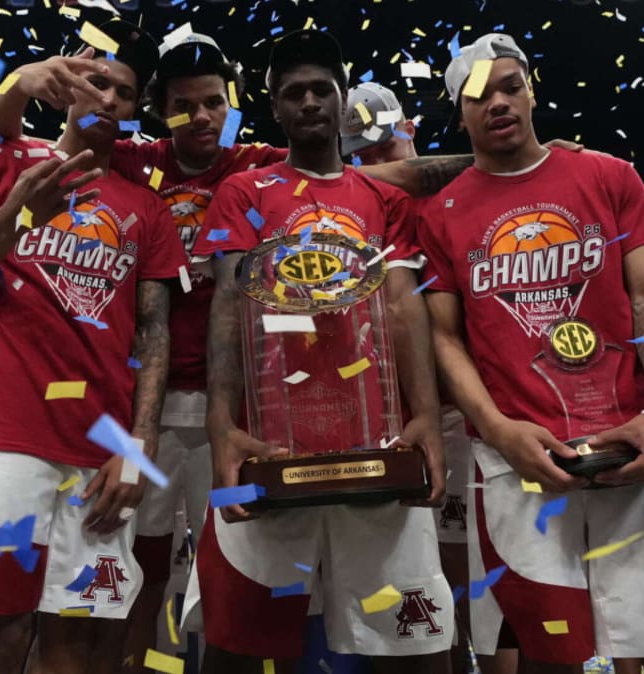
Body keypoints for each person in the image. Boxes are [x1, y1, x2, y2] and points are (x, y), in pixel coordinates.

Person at [417, 33, 644, 673]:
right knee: (549, 655)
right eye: (480, 94)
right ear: (461, 113)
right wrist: (497, 429)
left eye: (511, 85)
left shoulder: (607, 175)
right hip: (519, 460)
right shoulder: (441, 213)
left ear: (532, 91)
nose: (499, 102)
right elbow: (445, 338)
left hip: (631, 439)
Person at [0, 21, 187, 674]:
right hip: (0, 438)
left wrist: (138, 446)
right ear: (67, 87)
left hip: (100, 451)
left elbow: (154, 334)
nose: (109, 99)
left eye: (124, 92)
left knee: (77, 643)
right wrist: (15, 218)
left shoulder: (146, 209)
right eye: (97, 82)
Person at [190, 29, 450, 674]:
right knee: (237, 639)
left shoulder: (384, 201)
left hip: (377, 439)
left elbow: (402, 306)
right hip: (273, 441)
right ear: (275, 108)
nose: (308, 102)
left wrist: (427, 418)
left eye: (320, 89)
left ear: (342, 100)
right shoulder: (244, 193)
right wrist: (222, 426)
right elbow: (227, 307)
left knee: (415, 641)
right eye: (292, 93)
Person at [341, 81, 496, 674]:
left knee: (481, 587)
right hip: (394, 419)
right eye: (364, 154)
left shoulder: (470, 193)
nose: (378, 162)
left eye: (386, 145)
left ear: (410, 129)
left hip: (473, 416)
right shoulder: (355, 206)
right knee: (417, 599)